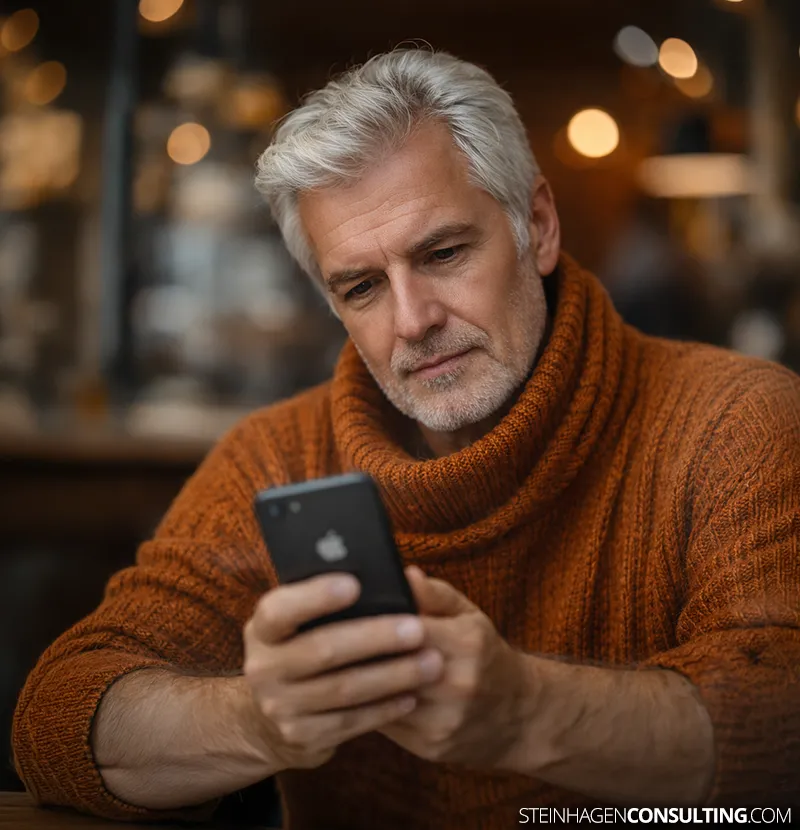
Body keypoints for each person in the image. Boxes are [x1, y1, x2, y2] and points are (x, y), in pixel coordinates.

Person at [12, 49, 800, 829]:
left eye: (445, 253)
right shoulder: (277, 459)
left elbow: (783, 722)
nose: (413, 320)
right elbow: (57, 717)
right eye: (361, 287)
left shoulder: (735, 422)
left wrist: (525, 712)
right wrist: (261, 720)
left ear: (538, 224)